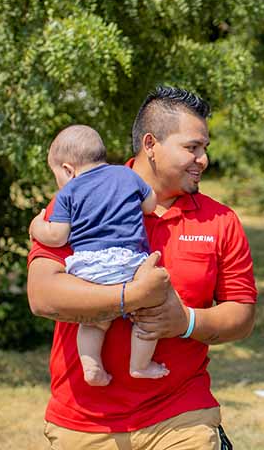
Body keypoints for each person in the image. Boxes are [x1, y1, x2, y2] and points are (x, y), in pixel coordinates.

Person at [27, 86, 257, 449]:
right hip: (82, 422)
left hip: (181, 416)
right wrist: (129, 297)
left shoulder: (222, 221)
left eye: (205, 149)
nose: (203, 159)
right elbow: (42, 296)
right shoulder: (80, 198)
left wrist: (186, 322)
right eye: (191, 148)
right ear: (150, 144)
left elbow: (241, 315)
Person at [29, 124, 166, 386]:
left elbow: (58, 236)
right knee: (149, 314)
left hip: (89, 267)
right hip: (130, 261)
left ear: (68, 170)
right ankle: (139, 365)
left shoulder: (67, 192)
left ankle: (92, 367)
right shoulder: (126, 175)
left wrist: (36, 227)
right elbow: (150, 204)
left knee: (93, 323)